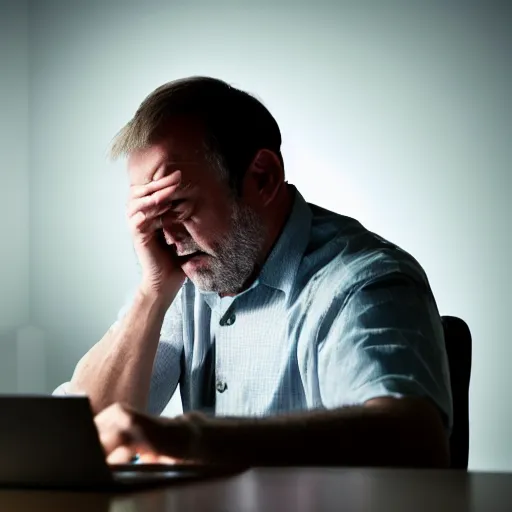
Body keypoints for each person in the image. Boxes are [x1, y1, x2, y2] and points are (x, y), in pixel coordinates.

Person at [54, 76, 453, 468]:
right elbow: (79, 440)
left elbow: (414, 439)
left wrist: (191, 438)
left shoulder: (362, 283)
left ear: (262, 178)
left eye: (176, 205)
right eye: (150, 213)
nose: (167, 237)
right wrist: (152, 292)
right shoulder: (187, 277)